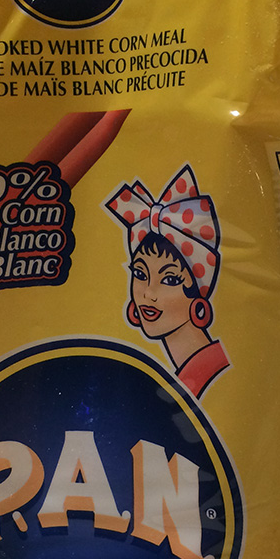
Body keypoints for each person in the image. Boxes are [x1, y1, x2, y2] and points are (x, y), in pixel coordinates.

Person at [105, 165, 229, 398]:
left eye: (170, 279)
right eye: (140, 274)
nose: (148, 293)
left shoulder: (218, 379)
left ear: (198, 294)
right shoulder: (181, 379)